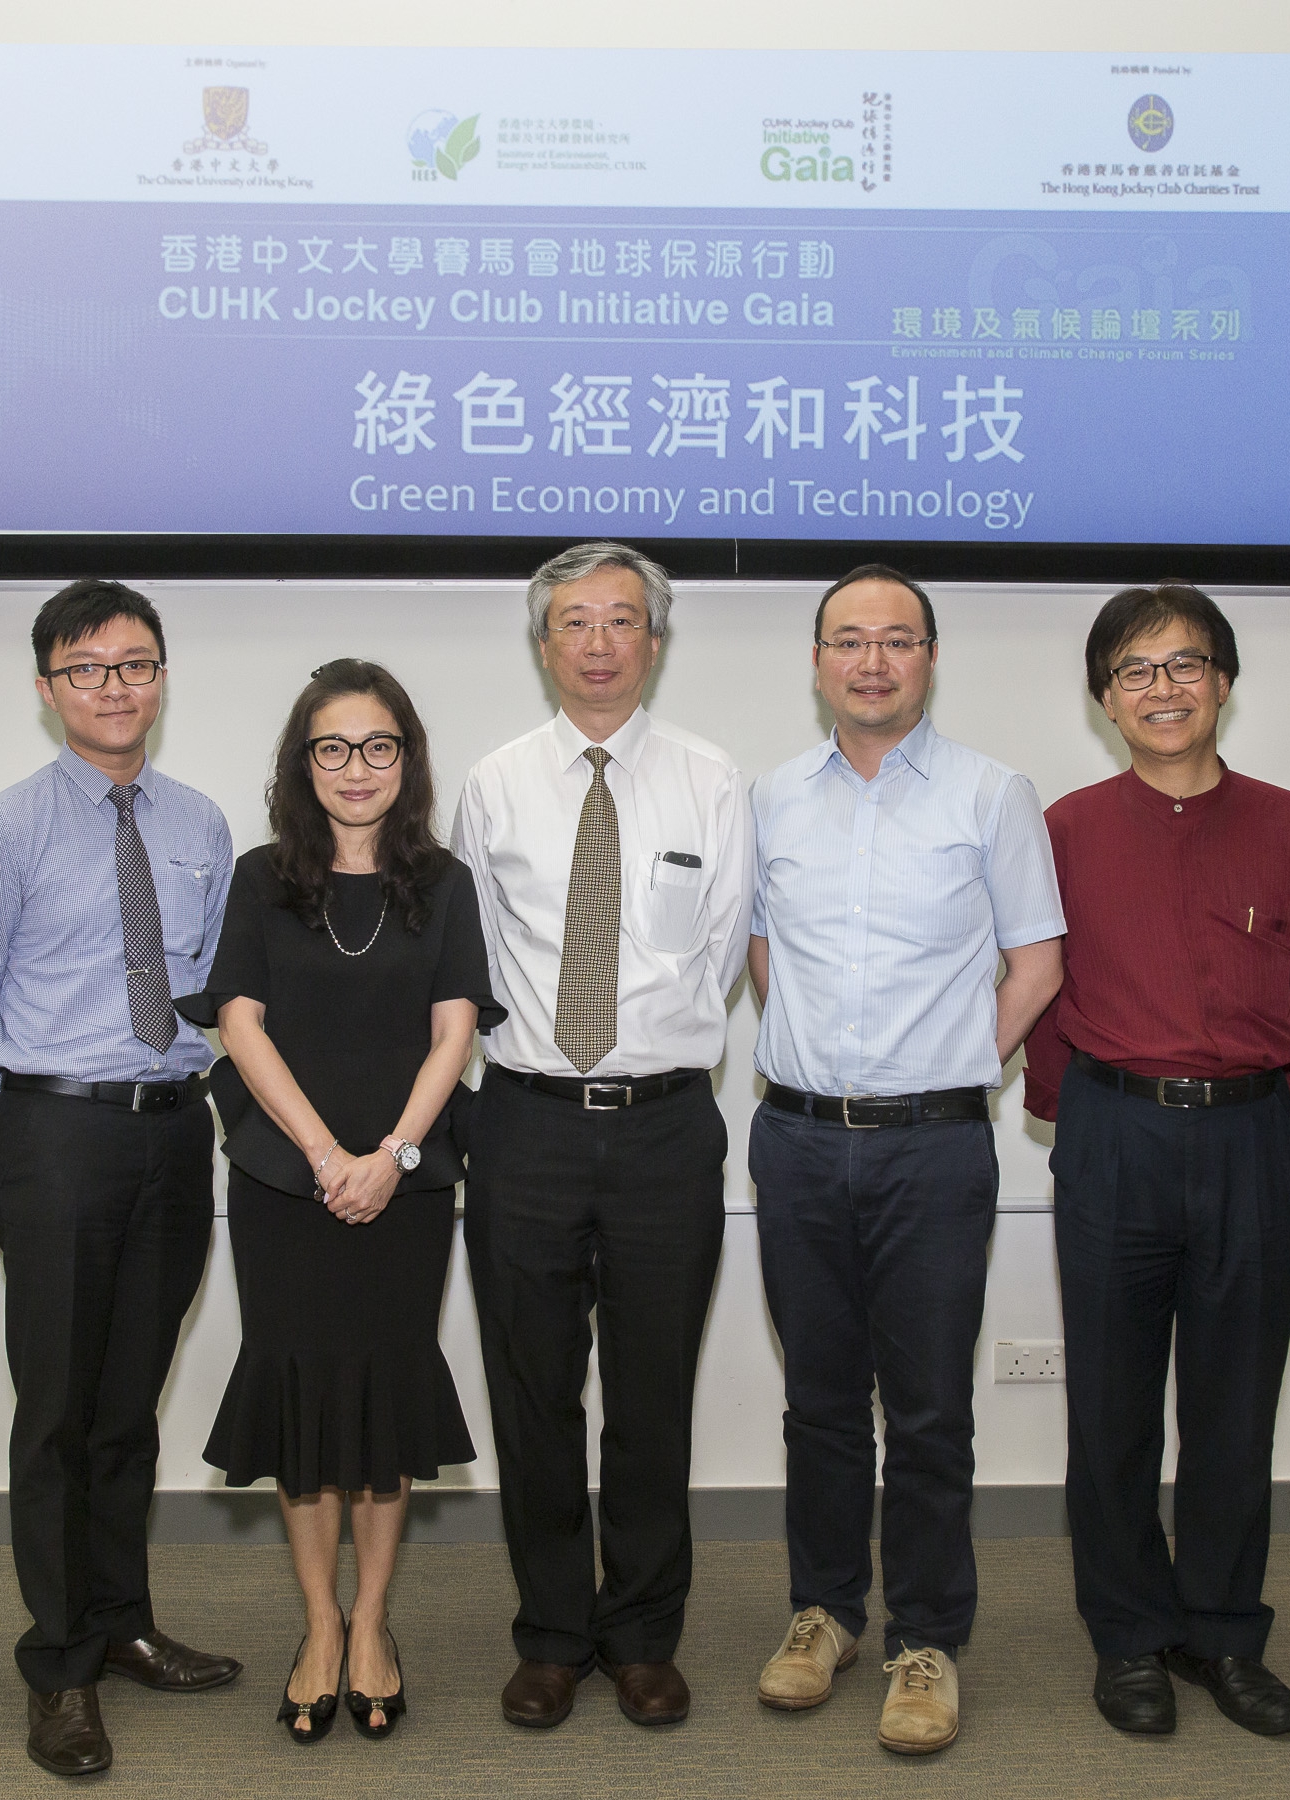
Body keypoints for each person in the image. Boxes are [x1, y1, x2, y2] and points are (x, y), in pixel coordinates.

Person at [743, 566, 1066, 1755]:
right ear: (818, 660)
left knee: (928, 1408)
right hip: (798, 1140)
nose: (871, 662)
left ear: (929, 658)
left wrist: (949, 1066)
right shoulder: (772, 797)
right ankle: (823, 1613)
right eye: (848, 641)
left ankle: (926, 1637)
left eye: (897, 641)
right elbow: (767, 957)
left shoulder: (992, 794)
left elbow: (1037, 964)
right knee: (820, 1402)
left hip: (935, 1150)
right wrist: (828, 1067)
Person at [0, 580, 241, 1778]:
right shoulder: (6, 827)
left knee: (126, 1408)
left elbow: (213, 989)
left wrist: (169, 1101)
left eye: (136, 663)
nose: (116, 686)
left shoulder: (200, 822)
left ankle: (122, 1623)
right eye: (88, 667)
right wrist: (42, 1126)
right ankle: (58, 1664)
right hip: (56, 1134)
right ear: (50, 687)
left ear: (162, 676)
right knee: (57, 1412)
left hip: (175, 1130)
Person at [449, 541, 756, 1732]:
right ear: (543, 645)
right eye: (571, 622)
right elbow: (472, 962)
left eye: (621, 620)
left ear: (655, 642)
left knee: (650, 1394)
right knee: (532, 1394)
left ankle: (640, 1633)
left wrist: (649, 1054)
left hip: (664, 1126)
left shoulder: (712, 781)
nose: (596, 642)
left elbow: (723, 954)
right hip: (522, 1120)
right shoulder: (494, 783)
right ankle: (550, 1634)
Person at [1021, 583, 1290, 1740]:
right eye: (1137, 672)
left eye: (1186, 665)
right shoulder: (1065, 828)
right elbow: (1043, 989)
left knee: (1234, 1405)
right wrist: (1079, 1120)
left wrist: (1256, 1096)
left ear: (1225, 682)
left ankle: (1223, 1633)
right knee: (1110, 1408)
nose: (1164, 689)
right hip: (1113, 1135)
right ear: (1106, 699)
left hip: (1251, 1137)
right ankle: (1131, 1637)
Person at [182, 659, 497, 1746]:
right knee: (306, 1405)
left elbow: (455, 1032)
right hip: (286, 1184)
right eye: (331, 748)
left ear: (405, 762)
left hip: (407, 1187)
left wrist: (391, 1155)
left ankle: (374, 1624)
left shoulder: (444, 883)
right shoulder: (261, 876)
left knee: (381, 1405)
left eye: (377, 747)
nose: (355, 769)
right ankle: (320, 1625)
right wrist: (326, 1156)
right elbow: (240, 1023)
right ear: (300, 763)